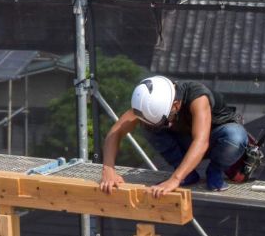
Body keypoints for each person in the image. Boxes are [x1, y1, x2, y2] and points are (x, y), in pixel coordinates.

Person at [100, 75, 248, 197]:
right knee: (147, 125)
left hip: (216, 140)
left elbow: (201, 142)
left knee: (235, 137)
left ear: (176, 105)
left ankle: (215, 170)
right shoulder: (146, 104)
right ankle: (186, 174)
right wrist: (108, 170)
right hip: (187, 141)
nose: (165, 126)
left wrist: (175, 179)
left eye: (165, 121)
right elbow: (115, 132)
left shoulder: (197, 96)